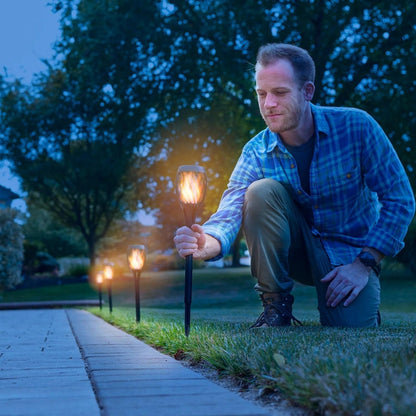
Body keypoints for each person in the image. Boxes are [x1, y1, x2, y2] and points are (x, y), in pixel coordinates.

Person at [173, 43, 415, 328]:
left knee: (351, 326)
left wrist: (366, 263)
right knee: (260, 191)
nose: (268, 104)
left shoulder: (357, 127)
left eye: (280, 92)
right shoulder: (255, 152)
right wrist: (207, 243)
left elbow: (400, 199)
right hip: (294, 253)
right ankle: (276, 307)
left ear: (308, 91)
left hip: (350, 256)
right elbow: (230, 212)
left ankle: (362, 302)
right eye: (261, 94)